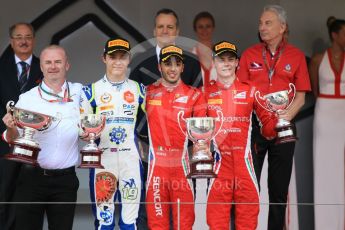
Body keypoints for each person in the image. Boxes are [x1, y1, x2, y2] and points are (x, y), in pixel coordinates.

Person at [237, 5, 311, 230]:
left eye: (268, 23)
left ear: (283, 27)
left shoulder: (296, 56)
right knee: (250, 189)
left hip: (284, 128)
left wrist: (285, 116)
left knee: (278, 192)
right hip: (255, 129)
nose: (262, 27)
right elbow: (240, 93)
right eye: (260, 23)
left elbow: (301, 97)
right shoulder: (249, 54)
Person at [129, 8, 202, 228]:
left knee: (182, 216)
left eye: (170, 26)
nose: (165, 30)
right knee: (149, 212)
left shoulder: (191, 63)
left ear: (177, 31)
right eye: (161, 26)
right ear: (154, 30)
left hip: (183, 156)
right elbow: (133, 109)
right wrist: (143, 143)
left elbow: (199, 113)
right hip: (149, 153)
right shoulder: (141, 64)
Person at [2, 45, 82, 230]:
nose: (53, 66)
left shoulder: (81, 93)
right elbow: (13, 139)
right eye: (48, 62)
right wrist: (11, 127)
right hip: (31, 179)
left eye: (58, 62)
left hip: (65, 181)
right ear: (41, 66)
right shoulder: (27, 98)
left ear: (67, 65)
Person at [205, 41, 278, 230]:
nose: (226, 63)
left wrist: (278, 121)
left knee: (248, 221)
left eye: (231, 59)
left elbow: (268, 126)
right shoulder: (205, 92)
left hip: (245, 165)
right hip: (219, 167)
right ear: (214, 62)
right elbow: (195, 129)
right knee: (216, 223)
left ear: (237, 62)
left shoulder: (251, 90)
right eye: (222, 59)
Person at [81, 38, 144, 229]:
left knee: (129, 221)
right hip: (103, 160)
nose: (117, 61)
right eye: (112, 56)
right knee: (104, 221)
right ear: (104, 58)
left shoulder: (140, 90)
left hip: (130, 160)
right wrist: (85, 134)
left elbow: (159, 120)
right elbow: (82, 128)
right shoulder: (90, 91)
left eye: (122, 57)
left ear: (129, 59)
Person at [145, 45, 206, 229]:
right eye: (167, 63)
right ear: (159, 67)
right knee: (157, 225)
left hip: (183, 168)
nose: (172, 68)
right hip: (157, 168)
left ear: (182, 67)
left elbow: (201, 134)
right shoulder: (146, 93)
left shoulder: (195, 95)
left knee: (184, 225)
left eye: (177, 63)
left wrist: (201, 149)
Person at [0, 22, 43, 230]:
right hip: (4, 143)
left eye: (27, 37)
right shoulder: (1, 66)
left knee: (31, 195)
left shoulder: (44, 67)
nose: (23, 41)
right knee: (4, 192)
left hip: (35, 143)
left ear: (33, 40)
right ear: (11, 41)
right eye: (18, 37)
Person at [309, 16, 345, 230]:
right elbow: (314, 91)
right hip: (325, 113)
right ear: (335, 35)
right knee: (325, 167)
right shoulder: (317, 59)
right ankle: (326, 224)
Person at [192, 11, 217, 87]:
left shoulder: (222, 55)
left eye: (208, 26)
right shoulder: (189, 56)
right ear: (195, 29)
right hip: (196, 98)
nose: (204, 30)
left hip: (219, 98)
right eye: (200, 27)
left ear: (213, 28)